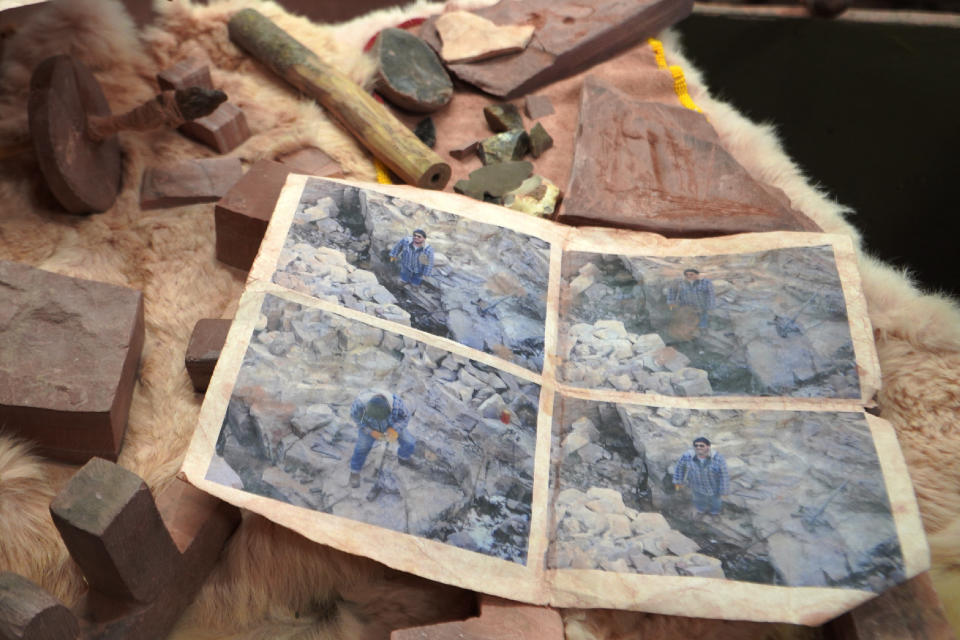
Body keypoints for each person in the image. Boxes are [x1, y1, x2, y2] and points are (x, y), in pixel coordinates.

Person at [348, 391, 418, 488]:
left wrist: (394, 429)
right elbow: (355, 417)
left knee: (409, 442)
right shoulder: (360, 403)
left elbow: (405, 418)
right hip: (369, 425)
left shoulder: (398, 405)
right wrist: (370, 431)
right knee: (362, 447)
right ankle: (354, 471)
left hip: (391, 423)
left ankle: (403, 458)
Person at [672, 437, 729, 517]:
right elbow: (679, 468)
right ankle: (701, 511)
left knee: (716, 502)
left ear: (708, 447)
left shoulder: (717, 458)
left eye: (701, 446)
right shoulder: (687, 456)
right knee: (699, 501)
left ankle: (715, 513)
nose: (698, 447)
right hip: (696, 485)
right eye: (696, 445)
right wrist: (678, 481)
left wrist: (724, 490)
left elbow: (724, 475)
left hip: (714, 487)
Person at [666, 268, 716, 341]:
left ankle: (703, 331)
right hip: (686, 307)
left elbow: (711, 295)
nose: (689, 276)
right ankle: (687, 336)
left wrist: (711, 306)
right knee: (687, 321)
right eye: (687, 275)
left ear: (697, 275)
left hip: (701, 306)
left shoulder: (705, 282)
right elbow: (672, 291)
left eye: (691, 274)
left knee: (703, 319)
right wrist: (671, 302)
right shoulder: (680, 282)